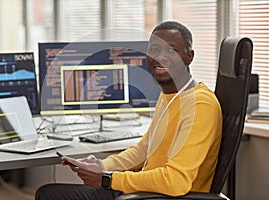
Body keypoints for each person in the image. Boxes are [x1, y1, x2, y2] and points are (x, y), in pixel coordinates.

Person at [35, 21, 222, 200]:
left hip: (166, 197)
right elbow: (144, 150)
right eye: (154, 50)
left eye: (171, 50)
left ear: (189, 56)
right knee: (49, 192)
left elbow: (176, 181)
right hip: (150, 192)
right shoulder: (170, 95)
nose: (161, 56)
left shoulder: (199, 105)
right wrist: (101, 165)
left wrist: (109, 180)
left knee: (50, 195)